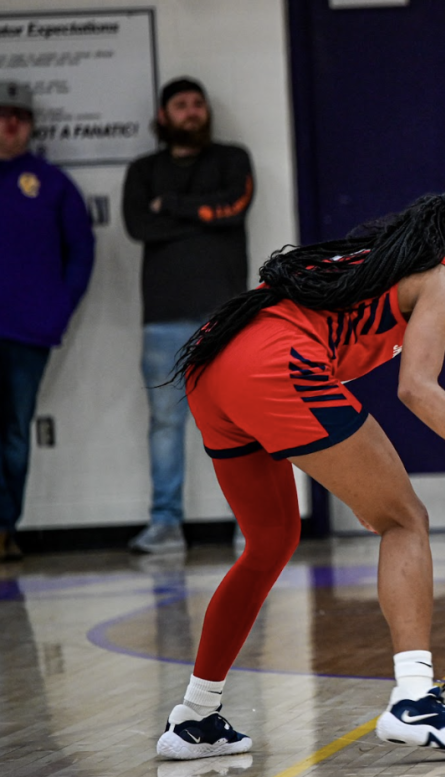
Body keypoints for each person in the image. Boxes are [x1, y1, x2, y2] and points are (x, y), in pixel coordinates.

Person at [154, 186, 445, 761]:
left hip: (213, 365)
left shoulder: (385, 258)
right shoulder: (443, 284)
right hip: (277, 365)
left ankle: (195, 719)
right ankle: (416, 700)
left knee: (270, 541)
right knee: (405, 521)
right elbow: (416, 389)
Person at [122, 77, 254, 555]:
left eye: (198, 103)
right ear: (163, 116)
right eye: (181, 105)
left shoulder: (232, 160)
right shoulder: (142, 171)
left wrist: (172, 209)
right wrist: (202, 216)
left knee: (242, 421)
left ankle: (253, 523)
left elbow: (234, 209)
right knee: (165, 423)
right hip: (163, 319)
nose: (192, 112)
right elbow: (139, 225)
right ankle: (165, 525)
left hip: (226, 317)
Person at [0, 81, 95, 563]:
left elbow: (81, 251)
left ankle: (2, 530)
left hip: (28, 329)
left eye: (20, 114)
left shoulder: (52, 183)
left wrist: (59, 307)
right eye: (1, 113)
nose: (11, 122)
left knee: (16, 431)